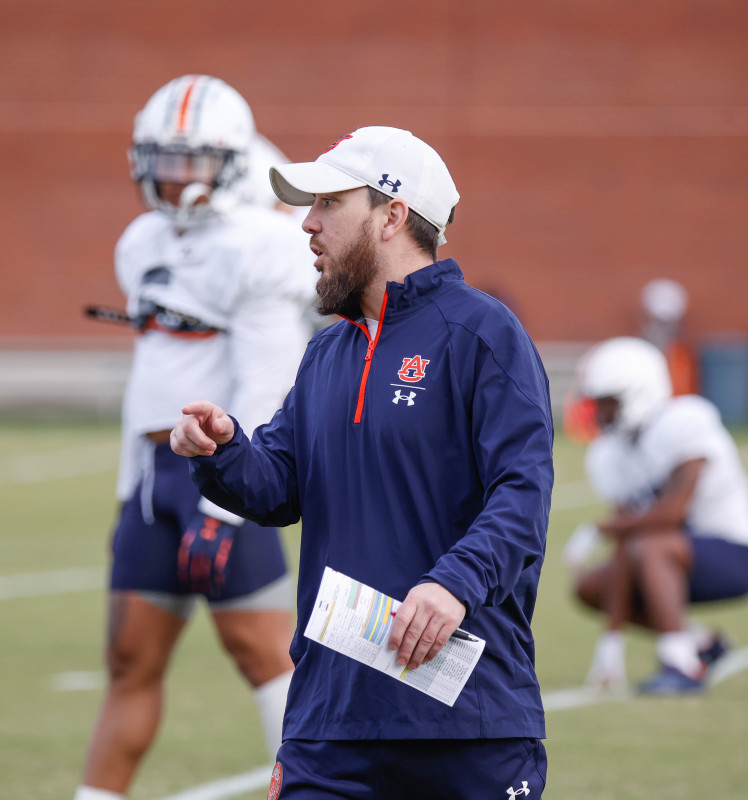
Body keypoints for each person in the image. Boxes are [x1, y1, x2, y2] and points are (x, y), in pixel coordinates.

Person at [171, 126, 553, 798]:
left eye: (327, 205)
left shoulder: (483, 334)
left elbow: (522, 493)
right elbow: (278, 486)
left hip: (466, 725)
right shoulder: (327, 353)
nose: (307, 225)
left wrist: (453, 585)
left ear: (392, 217)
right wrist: (224, 450)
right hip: (329, 724)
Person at [73, 75, 317, 800]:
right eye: (164, 158)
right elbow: (154, 371)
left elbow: (265, 386)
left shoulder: (262, 245)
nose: (176, 176)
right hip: (153, 475)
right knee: (128, 659)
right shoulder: (142, 240)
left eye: (194, 160)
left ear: (234, 163)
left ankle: (310, 791)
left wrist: (223, 510)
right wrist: (127, 493)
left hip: (219, 469)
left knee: (263, 653)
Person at [561, 336, 748, 695]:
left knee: (653, 542)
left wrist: (600, 527)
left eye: (608, 402)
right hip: (662, 555)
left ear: (639, 392)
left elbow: (671, 514)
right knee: (591, 586)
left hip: (735, 554)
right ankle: (700, 644)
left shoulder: (684, 421)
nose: (601, 414)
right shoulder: (608, 455)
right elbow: (629, 546)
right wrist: (610, 643)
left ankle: (681, 663)